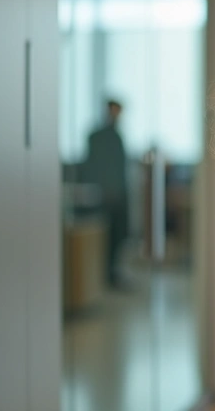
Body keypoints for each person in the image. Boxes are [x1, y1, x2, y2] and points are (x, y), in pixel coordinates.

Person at [84, 99, 128, 287]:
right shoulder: (96, 136)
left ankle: (112, 273)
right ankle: (103, 275)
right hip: (104, 195)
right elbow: (94, 167)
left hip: (118, 194)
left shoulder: (117, 136)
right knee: (105, 237)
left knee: (118, 235)